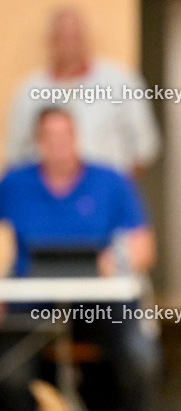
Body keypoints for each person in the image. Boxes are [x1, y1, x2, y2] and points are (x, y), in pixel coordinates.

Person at [0, 107, 159, 411]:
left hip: (102, 304)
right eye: (50, 136)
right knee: (10, 372)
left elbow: (144, 248)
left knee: (140, 358)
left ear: (77, 137)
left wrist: (113, 261)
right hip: (30, 307)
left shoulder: (111, 181)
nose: (59, 144)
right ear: (38, 140)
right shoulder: (14, 184)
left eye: (65, 135)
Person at [5, 7, 161, 180]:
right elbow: (15, 155)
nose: (70, 45)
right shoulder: (29, 90)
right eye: (63, 37)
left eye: (75, 37)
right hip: (45, 193)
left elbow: (145, 147)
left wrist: (116, 186)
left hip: (105, 191)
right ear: (50, 41)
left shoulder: (121, 82)